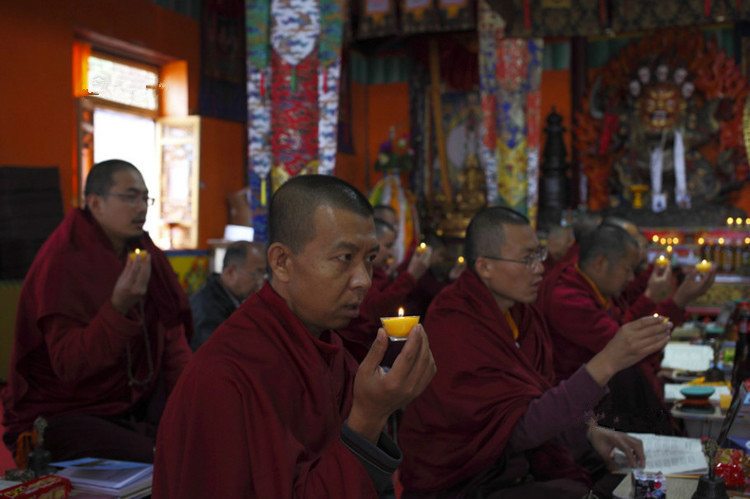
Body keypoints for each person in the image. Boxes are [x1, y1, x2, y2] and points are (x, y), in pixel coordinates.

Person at [153, 175, 436, 498]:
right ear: (282, 262)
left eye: (369, 260)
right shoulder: (227, 375)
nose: (363, 280)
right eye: (344, 258)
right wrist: (370, 416)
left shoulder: (329, 348)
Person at [398, 206, 673, 498]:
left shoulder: (522, 314)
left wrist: (591, 431)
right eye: (527, 259)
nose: (540, 268)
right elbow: (514, 431)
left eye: (539, 256)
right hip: (459, 478)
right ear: (485, 267)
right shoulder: (453, 320)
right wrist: (607, 362)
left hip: (512, 466)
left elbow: (540, 392)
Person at [1, 159, 193, 464]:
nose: (141, 207)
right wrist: (118, 307)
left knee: (197, 436)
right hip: (67, 410)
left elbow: (171, 338)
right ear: (95, 203)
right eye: (130, 197)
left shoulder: (144, 252)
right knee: (157, 457)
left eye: (145, 198)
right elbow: (71, 366)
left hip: (132, 401)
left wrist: (195, 401)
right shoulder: (64, 261)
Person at [539, 224, 716, 432]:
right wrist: (678, 300)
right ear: (601, 263)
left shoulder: (596, 289)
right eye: (628, 269)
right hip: (583, 415)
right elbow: (625, 346)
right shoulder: (568, 298)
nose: (631, 278)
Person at [338, 218, 432, 362]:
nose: (391, 253)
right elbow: (375, 308)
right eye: (388, 246)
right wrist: (410, 277)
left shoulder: (380, 271)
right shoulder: (357, 273)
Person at [189, 240, 266, 351]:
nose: (259, 282)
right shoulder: (207, 310)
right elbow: (216, 354)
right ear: (231, 272)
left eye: (263, 275)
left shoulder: (233, 298)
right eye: (255, 275)